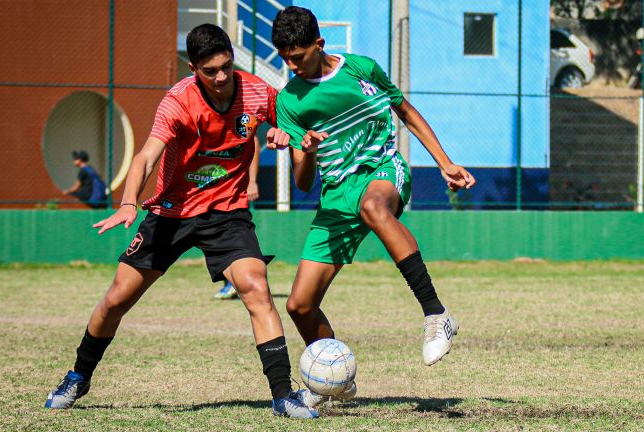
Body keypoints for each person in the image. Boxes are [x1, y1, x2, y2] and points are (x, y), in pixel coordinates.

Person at [44, 24, 318, 419]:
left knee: (256, 287)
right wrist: (127, 203)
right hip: (170, 213)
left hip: (227, 213)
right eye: (211, 71)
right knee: (117, 300)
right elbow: (146, 157)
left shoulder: (259, 91)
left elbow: (291, 121)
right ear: (194, 69)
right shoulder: (178, 101)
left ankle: (282, 395)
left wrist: (284, 133)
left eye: (227, 66)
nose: (222, 77)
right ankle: (78, 376)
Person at [268, 6, 476, 405]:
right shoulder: (289, 102)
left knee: (373, 208)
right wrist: (307, 150)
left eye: (298, 56)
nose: (291, 64)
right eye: (285, 57)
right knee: (299, 305)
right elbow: (303, 180)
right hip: (335, 195)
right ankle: (335, 380)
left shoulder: (361, 68)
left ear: (319, 44)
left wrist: (444, 162)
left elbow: (406, 111)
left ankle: (436, 314)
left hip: (381, 169)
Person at [215, 135, 261, 300]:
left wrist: (252, 181)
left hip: (234, 193)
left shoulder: (238, 116)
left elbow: (254, 141)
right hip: (213, 191)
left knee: (231, 237)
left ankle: (235, 282)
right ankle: (232, 281)